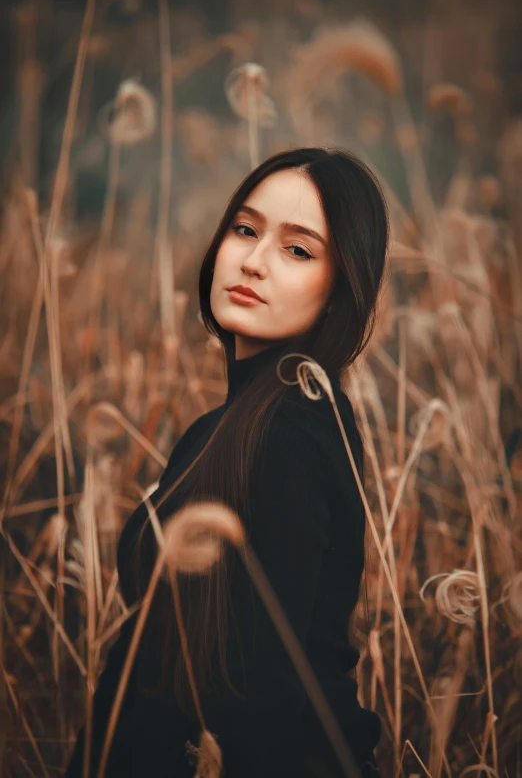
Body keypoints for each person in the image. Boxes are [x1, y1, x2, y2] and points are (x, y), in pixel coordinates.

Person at [65, 147, 389, 778]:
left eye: (298, 249)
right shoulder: (224, 428)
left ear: (340, 289)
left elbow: (267, 698)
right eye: (245, 229)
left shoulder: (296, 425)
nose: (254, 260)